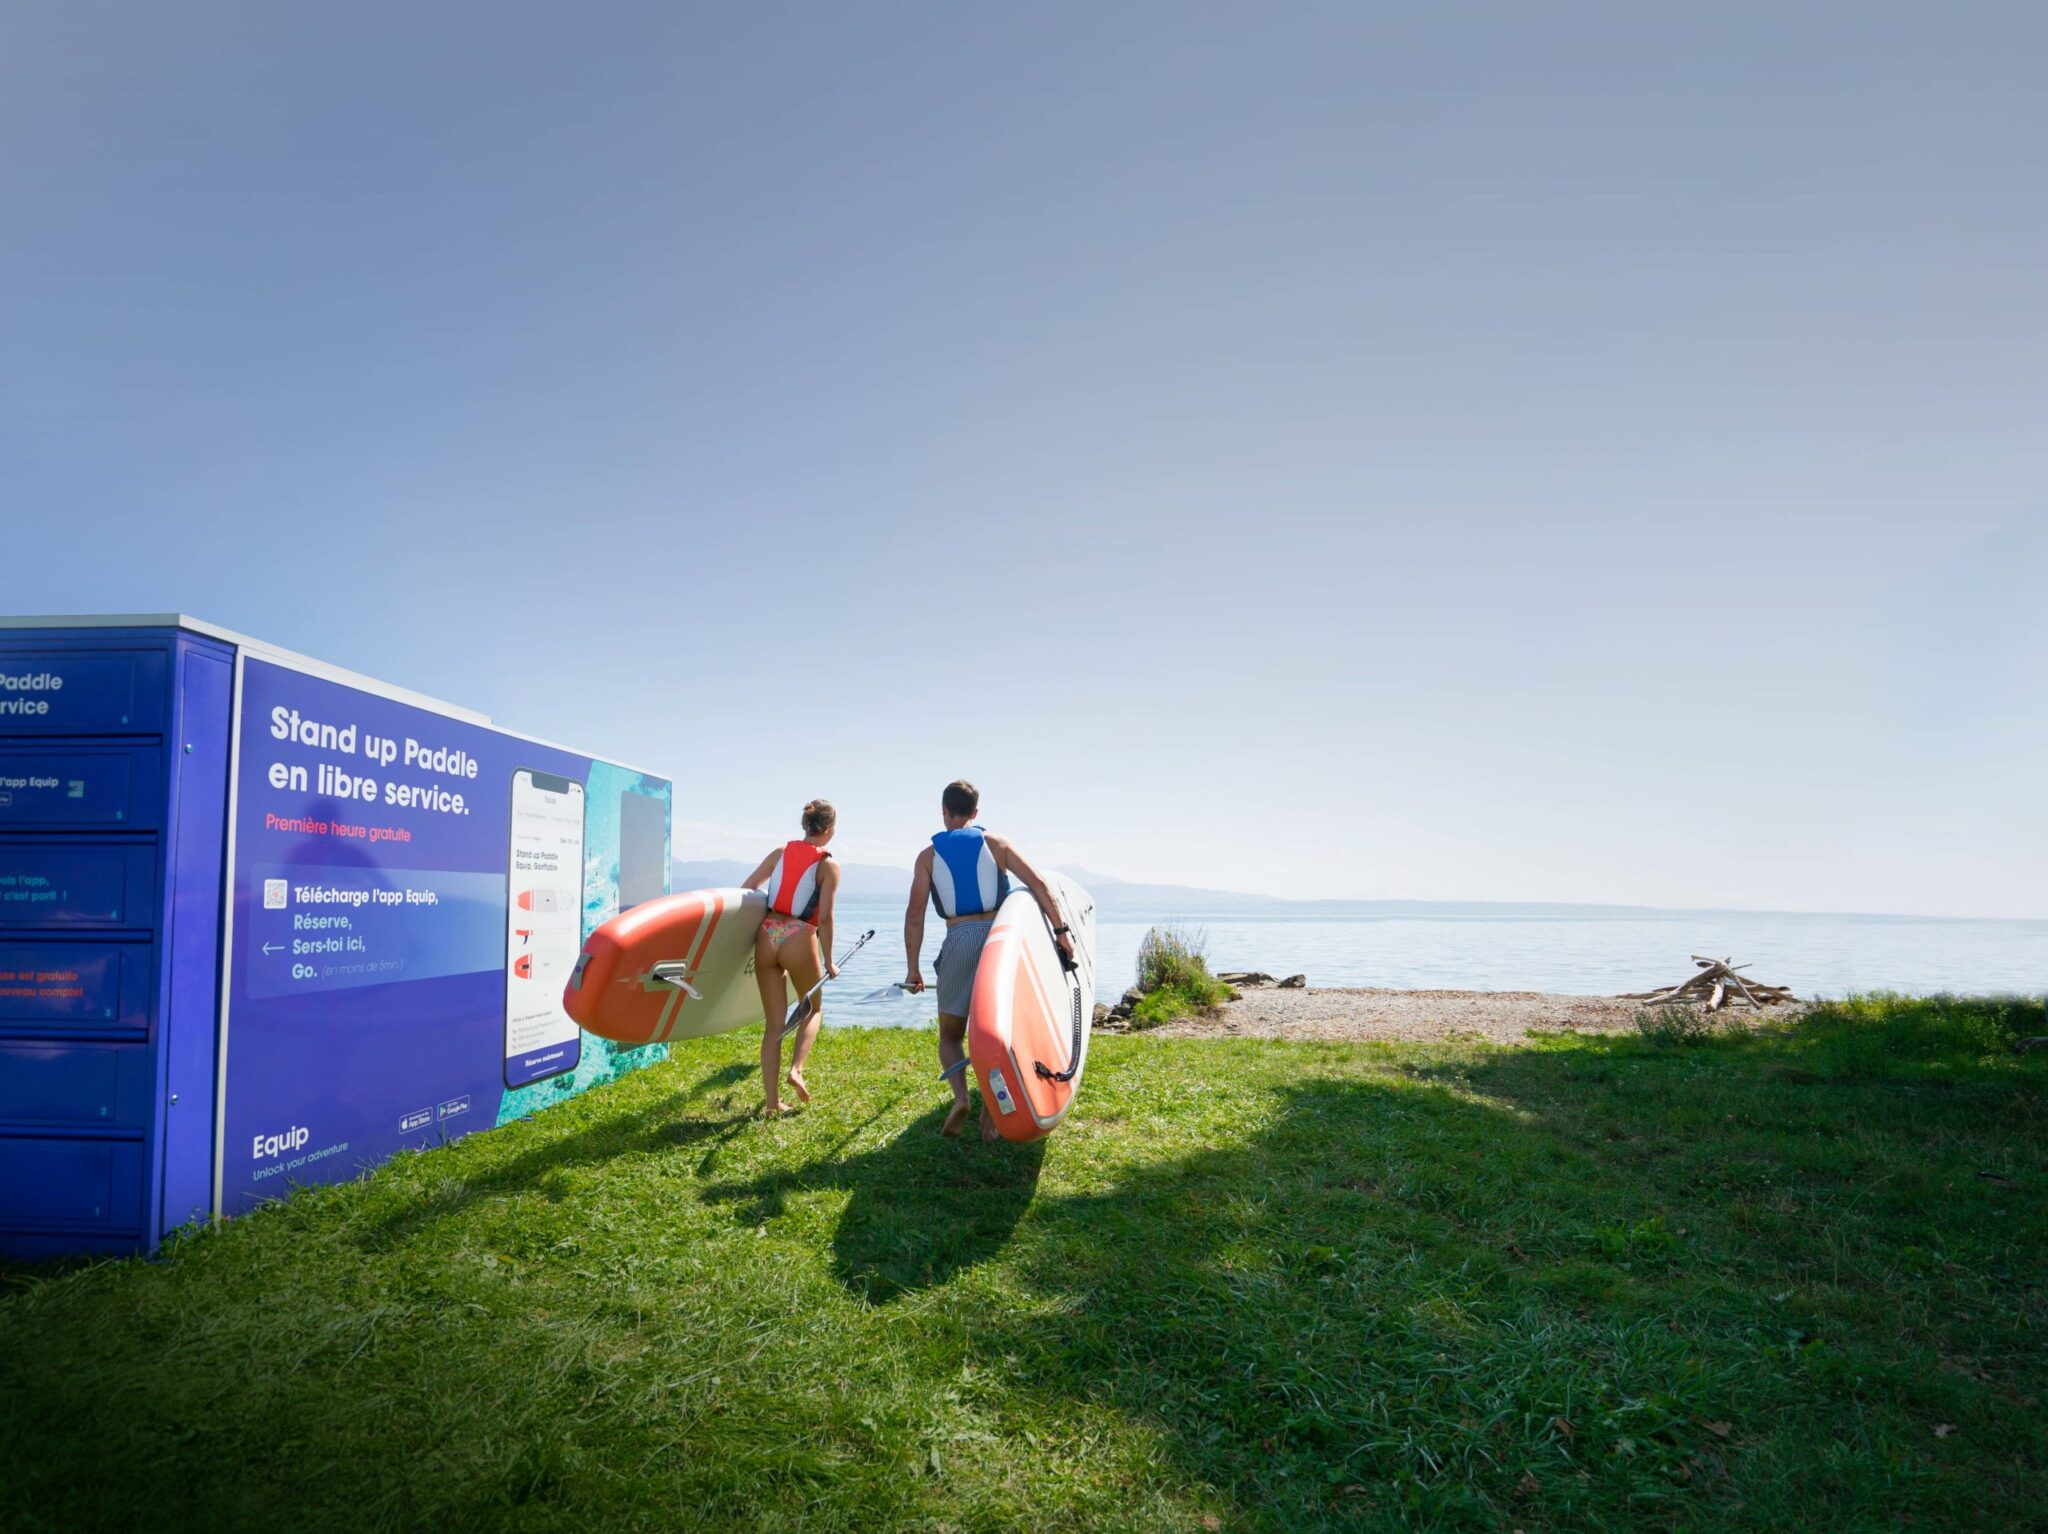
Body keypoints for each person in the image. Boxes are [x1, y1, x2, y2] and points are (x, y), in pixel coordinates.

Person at [902, 780, 1074, 1140]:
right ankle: (992, 1114)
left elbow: (914, 915)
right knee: (998, 1034)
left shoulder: (928, 856)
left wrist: (913, 967)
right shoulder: (997, 844)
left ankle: (961, 1098)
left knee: (951, 1036)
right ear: (976, 813)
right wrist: (1061, 931)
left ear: (944, 811)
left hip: (959, 938)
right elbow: (1039, 885)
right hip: (1001, 940)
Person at [742, 799, 840, 1117]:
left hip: (767, 933)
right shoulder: (828, 865)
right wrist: (829, 961)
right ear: (828, 830)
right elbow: (824, 918)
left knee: (774, 1026)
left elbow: (747, 888)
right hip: (798, 935)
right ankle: (797, 1069)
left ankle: (772, 1104)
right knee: (812, 1007)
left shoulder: (779, 853)